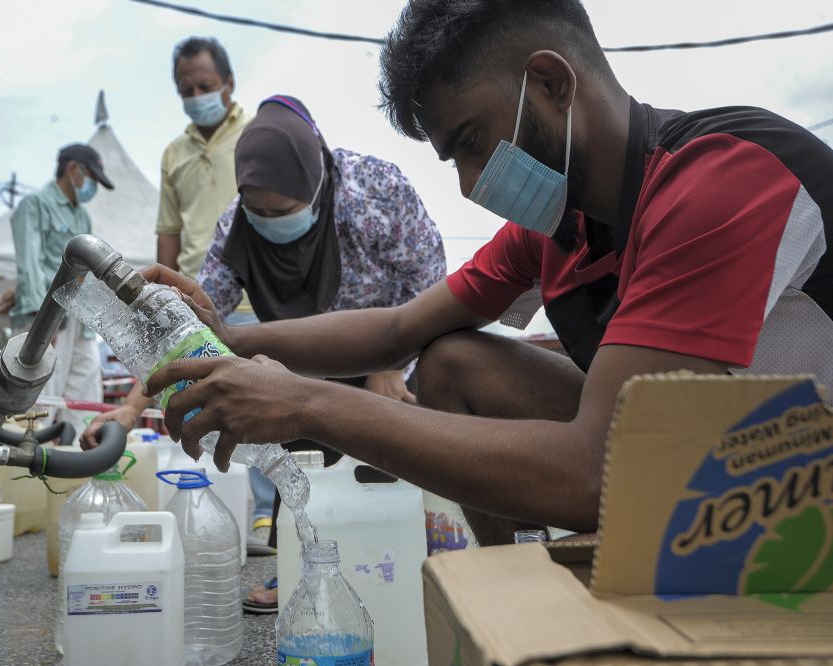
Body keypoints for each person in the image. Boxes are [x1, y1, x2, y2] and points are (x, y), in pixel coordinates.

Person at [139, 0, 833, 546]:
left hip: (804, 495)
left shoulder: (721, 182)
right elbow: (396, 330)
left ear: (552, 82)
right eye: (454, 160)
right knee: (452, 361)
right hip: (728, 468)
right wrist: (227, 336)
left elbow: (601, 470)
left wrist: (307, 406)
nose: (471, 184)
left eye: (471, 141)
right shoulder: (559, 225)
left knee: (588, 453)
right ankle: (520, 598)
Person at [84, 95, 447, 573]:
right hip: (304, 366)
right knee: (304, 476)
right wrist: (132, 409)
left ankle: (400, 577)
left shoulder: (373, 192)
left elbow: (431, 276)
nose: (274, 224)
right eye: (262, 213)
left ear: (315, 186)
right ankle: (301, 576)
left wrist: (389, 362)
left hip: (394, 359)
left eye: (287, 210)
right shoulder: (235, 225)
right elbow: (184, 326)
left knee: (387, 483)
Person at [5, 144, 114, 430]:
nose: (93, 188)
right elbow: (29, 265)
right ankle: (25, 464)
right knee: (39, 403)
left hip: (80, 320)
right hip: (46, 317)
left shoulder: (82, 217)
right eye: (92, 178)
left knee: (87, 398)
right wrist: (42, 322)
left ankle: (82, 459)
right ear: (73, 169)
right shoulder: (35, 205)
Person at [156, 36, 251, 281]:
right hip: (193, 294)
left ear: (229, 84)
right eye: (187, 91)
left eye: (205, 87)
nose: (196, 96)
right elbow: (169, 232)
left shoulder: (257, 134)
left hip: (254, 297)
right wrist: (165, 291)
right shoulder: (173, 154)